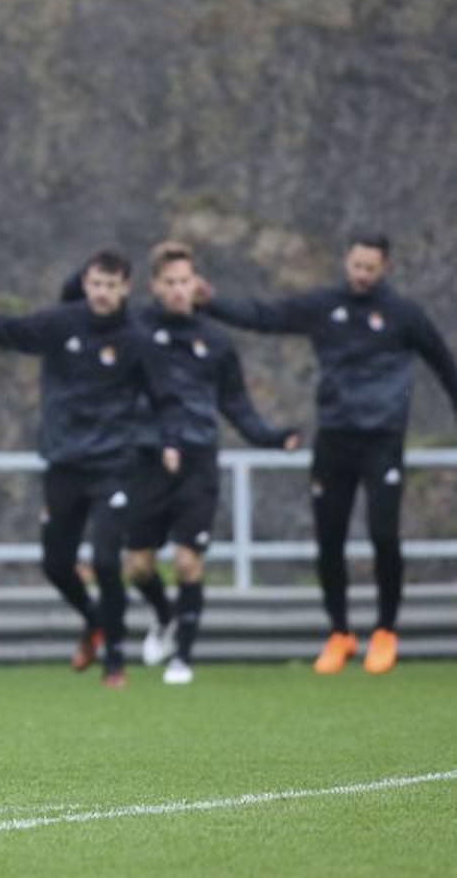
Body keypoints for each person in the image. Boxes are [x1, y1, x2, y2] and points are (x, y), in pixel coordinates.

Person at [196, 232, 457, 675]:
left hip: (382, 439)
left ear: (385, 268)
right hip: (335, 438)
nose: (362, 275)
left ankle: (385, 630)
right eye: (356, 265)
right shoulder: (324, 306)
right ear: (346, 261)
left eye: (370, 268)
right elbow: (265, 316)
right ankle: (339, 632)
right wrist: (212, 303)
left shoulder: (404, 315)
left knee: (384, 535)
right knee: (329, 539)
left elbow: (443, 363)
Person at [0, 250, 180, 687]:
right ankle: (94, 621)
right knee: (56, 563)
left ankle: (115, 659)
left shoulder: (138, 340)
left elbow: (166, 398)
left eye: (110, 286)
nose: (101, 293)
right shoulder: (63, 323)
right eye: (95, 284)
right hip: (64, 463)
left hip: (114, 465)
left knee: (106, 561)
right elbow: (16, 332)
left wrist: (170, 441)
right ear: (86, 282)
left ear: (125, 288)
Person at [124, 242, 298, 685]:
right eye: (170, 282)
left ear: (196, 284)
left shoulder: (216, 341)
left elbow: (237, 406)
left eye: (185, 281)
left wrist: (272, 438)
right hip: (146, 456)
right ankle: (164, 615)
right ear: (154, 286)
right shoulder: (135, 329)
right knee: (138, 567)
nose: (178, 290)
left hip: (198, 458)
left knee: (188, 561)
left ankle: (182, 658)